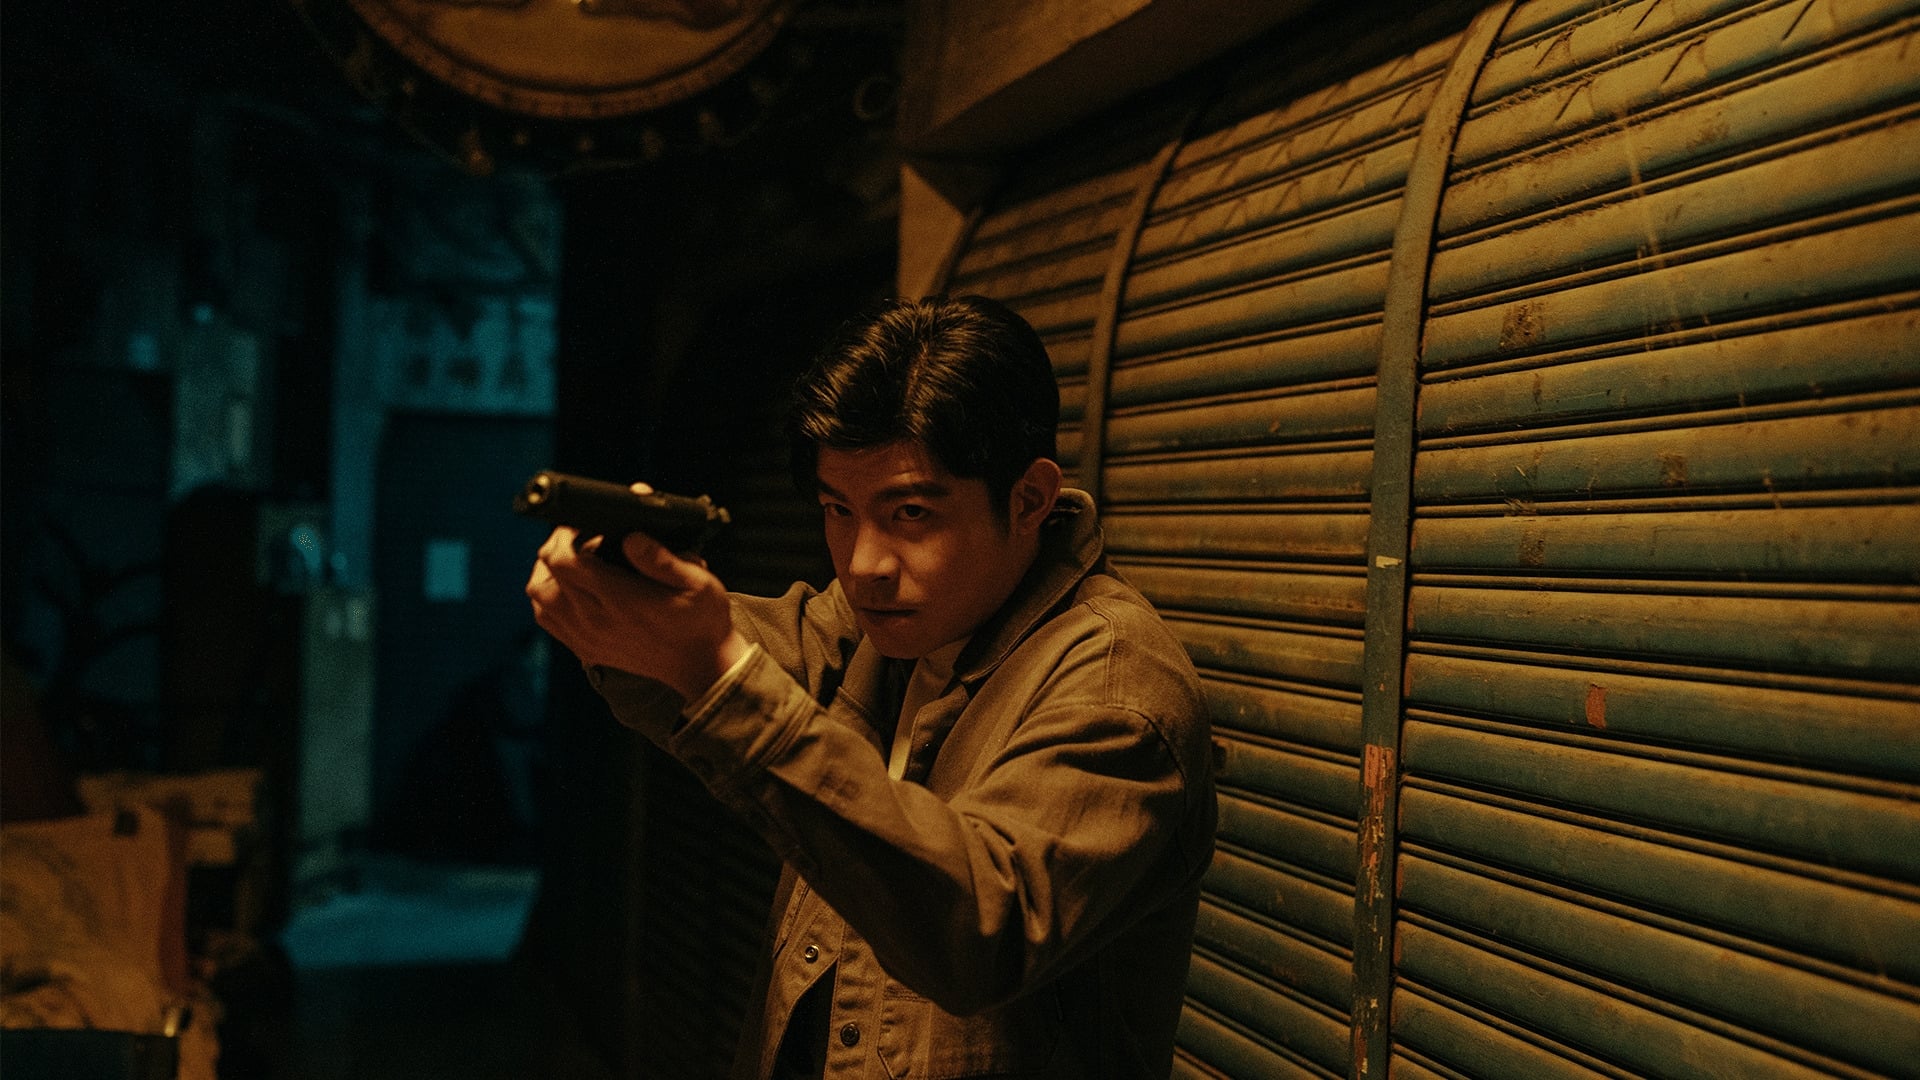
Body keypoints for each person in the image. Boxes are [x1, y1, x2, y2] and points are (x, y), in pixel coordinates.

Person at [525, 294, 1216, 1080]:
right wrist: (620, 599)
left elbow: (982, 930)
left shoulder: (1118, 687)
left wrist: (718, 672)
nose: (863, 565)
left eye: (910, 513)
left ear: (1028, 499)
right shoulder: (878, 627)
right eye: (838, 510)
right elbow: (711, 665)